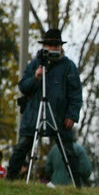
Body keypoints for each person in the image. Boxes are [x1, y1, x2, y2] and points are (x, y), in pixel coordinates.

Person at [7, 29, 83, 185]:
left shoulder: (69, 66)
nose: (53, 48)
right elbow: (23, 87)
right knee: (21, 148)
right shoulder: (35, 64)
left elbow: (76, 94)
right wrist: (35, 77)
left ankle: (77, 185)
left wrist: (72, 115)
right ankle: (9, 181)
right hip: (34, 115)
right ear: (44, 46)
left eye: (56, 45)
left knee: (68, 151)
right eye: (49, 45)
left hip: (60, 116)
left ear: (61, 47)